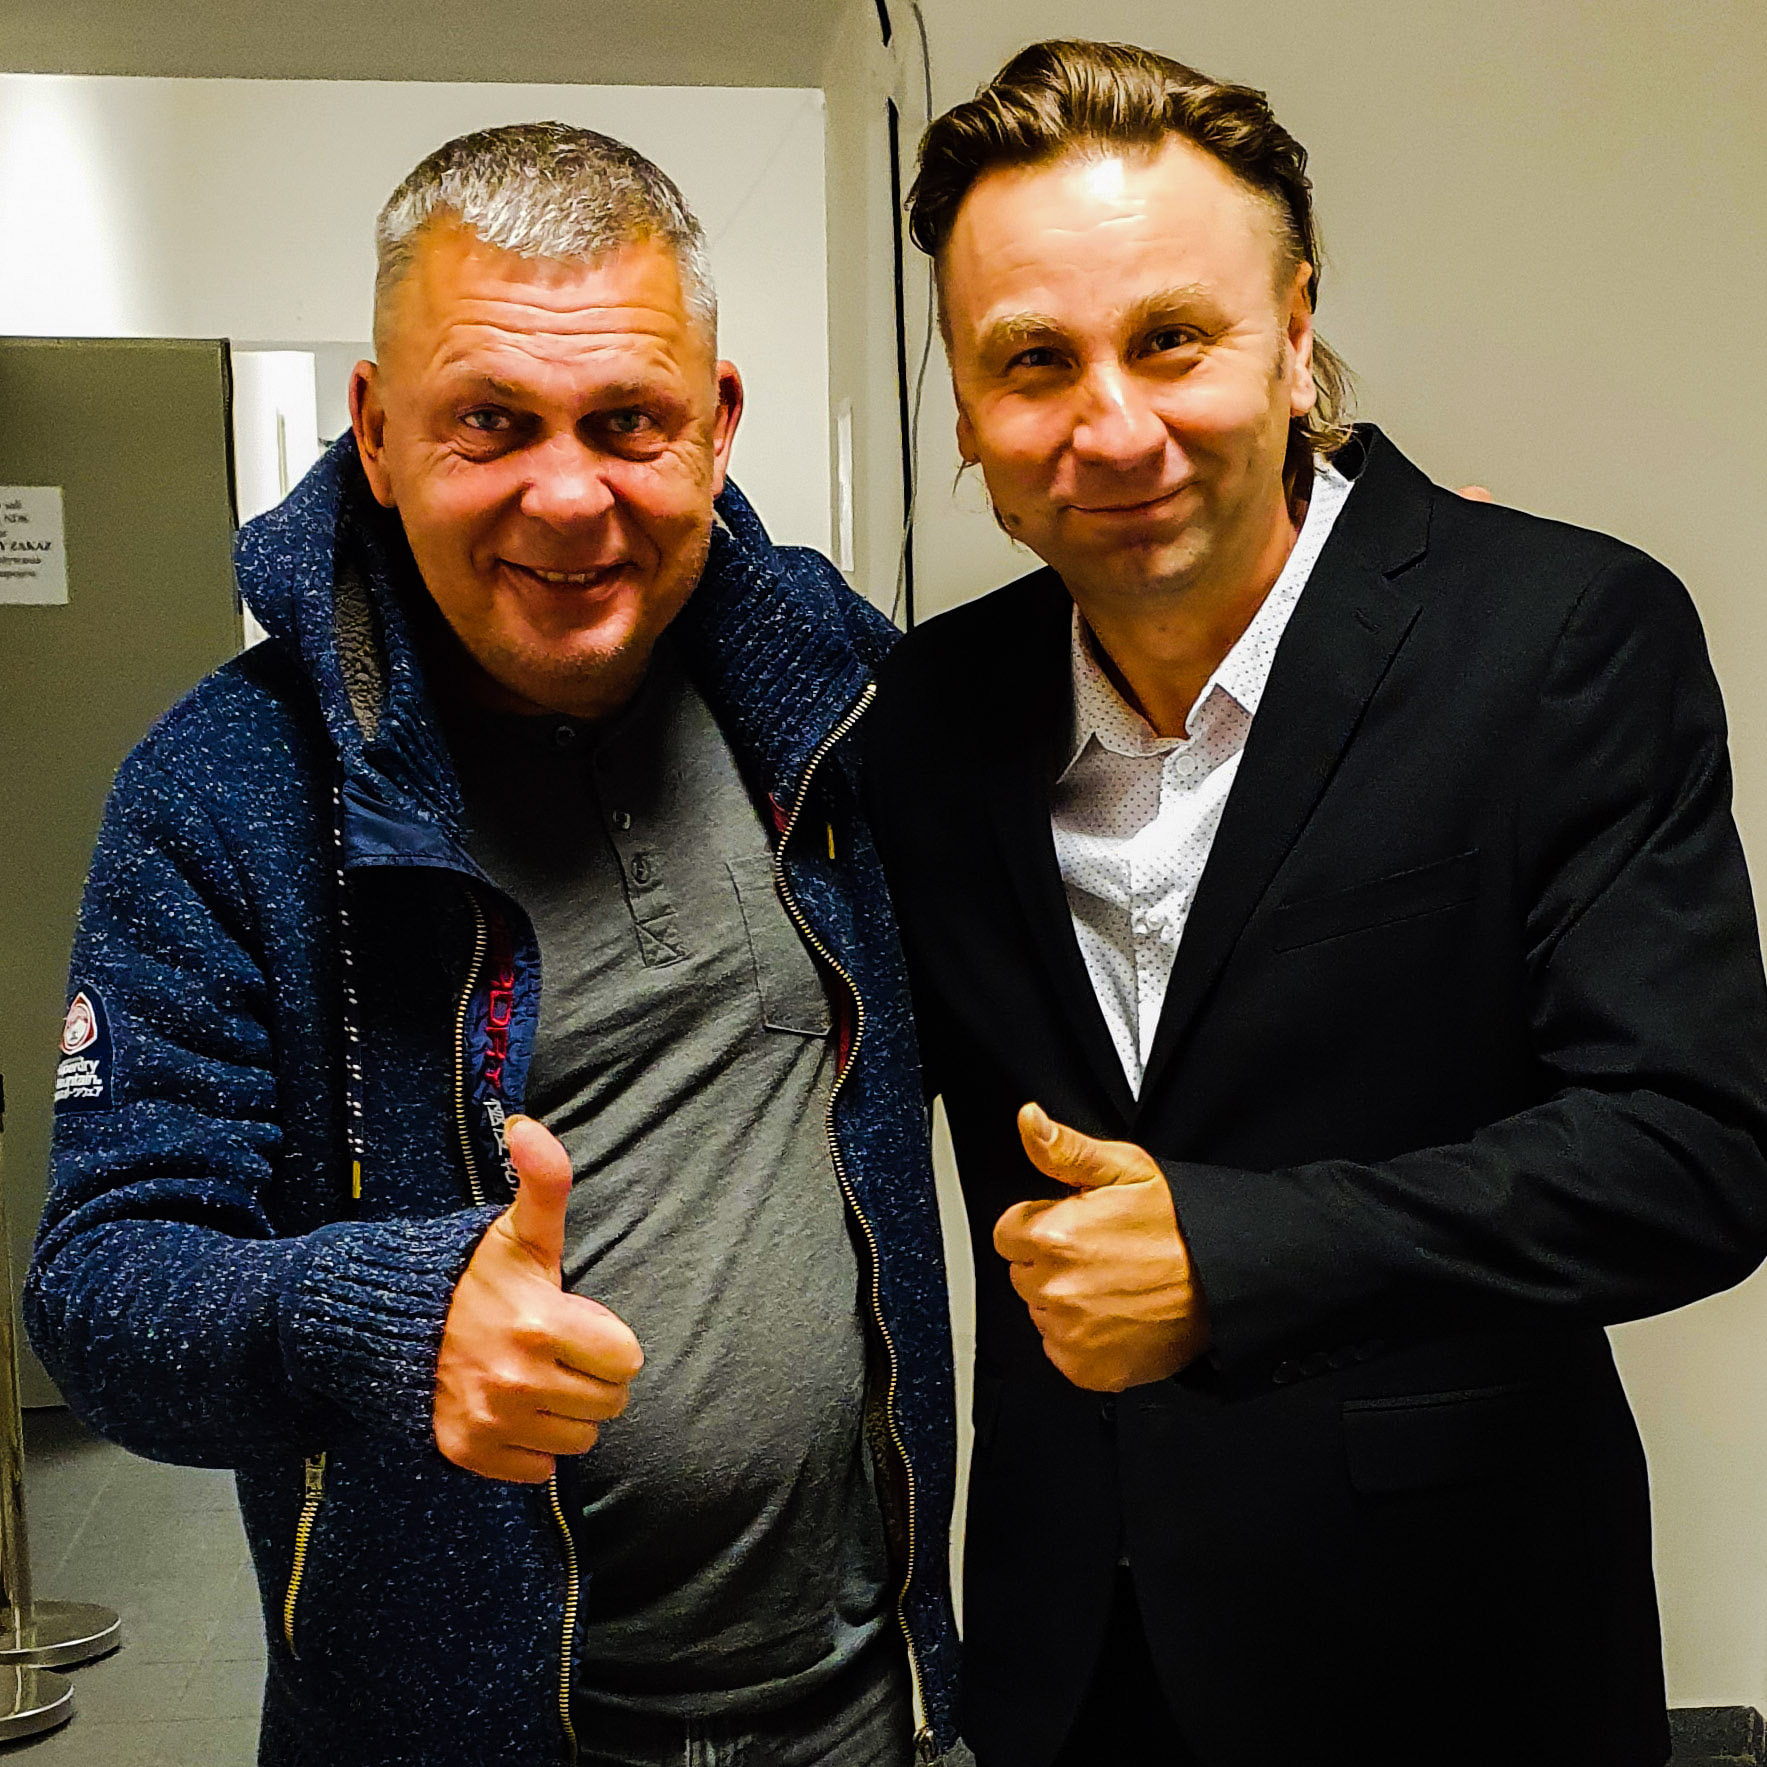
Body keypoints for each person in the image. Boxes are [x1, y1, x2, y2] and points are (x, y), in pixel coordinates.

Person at [862, 39, 1767, 1767]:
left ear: (1294, 337)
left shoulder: (1556, 638)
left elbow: (1694, 1153)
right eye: (1033, 361)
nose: (1111, 425)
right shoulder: (926, 717)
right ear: (967, 412)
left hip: (1458, 1661)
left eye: (1172, 339)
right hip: (1072, 1662)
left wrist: (1230, 1255)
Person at [26, 123, 963, 1767]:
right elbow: (101, 1291)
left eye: (628, 421)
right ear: (377, 432)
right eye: (492, 422)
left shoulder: (827, 692)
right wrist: (387, 1316)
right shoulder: (229, 790)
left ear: (718, 424)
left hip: (872, 1712)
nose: (569, 494)